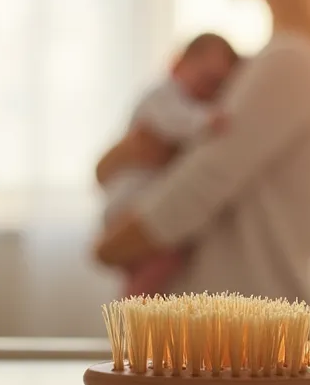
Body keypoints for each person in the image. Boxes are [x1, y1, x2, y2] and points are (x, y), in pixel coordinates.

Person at [91, 0, 310, 303]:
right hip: (240, 325)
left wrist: (107, 248)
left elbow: (195, 188)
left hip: (257, 330)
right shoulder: (266, 61)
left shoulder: (290, 61)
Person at [100, 31, 241, 297]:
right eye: (206, 79)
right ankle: (132, 317)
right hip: (129, 204)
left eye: (218, 85)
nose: (208, 91)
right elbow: (173, 121)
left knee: (158, 267)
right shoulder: (161, 96)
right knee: (155, 267)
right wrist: (207, 121)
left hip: (140, 204)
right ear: (176, 65)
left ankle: (135, 314)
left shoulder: (187, 104)